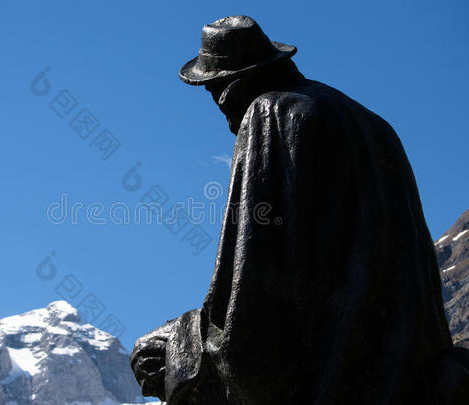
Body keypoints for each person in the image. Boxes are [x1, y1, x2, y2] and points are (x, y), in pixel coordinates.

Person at [131, 16, 469, 405]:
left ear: (234, 84)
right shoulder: (376, 126)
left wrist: (182, 347)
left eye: (215, 91)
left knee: (154, 353)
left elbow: (254, 293)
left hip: (332, 377)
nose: (221, 111)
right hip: (407, 373)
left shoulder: (269, 113)